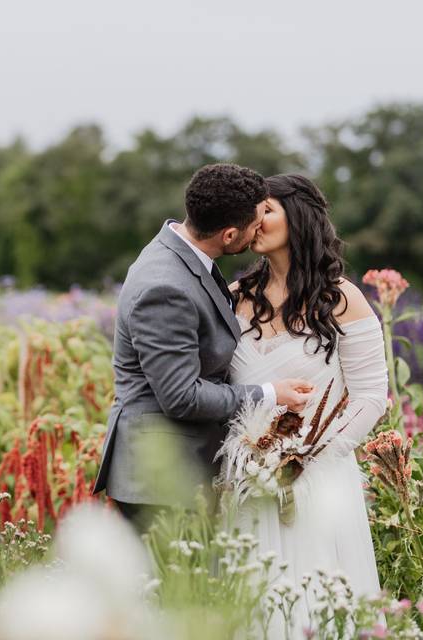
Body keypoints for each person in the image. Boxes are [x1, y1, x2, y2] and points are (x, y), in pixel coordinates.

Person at [92, 163, 314, 533]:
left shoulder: (181, 253)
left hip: (179, 472)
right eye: (256, 221)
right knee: (169, 590)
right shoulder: (165, 286)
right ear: (229, 235)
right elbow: (181, 396)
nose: (260, 228)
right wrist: (270, 394)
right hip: (160, 478)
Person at [226, 174, 387, 636]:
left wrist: (305, 458)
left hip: (317, 478)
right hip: (245, 479)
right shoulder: (234, 298)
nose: (255, 221)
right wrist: (253, 459)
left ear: (297, 218)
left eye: (267, 210)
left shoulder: (342, 299)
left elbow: (372, 396)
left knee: (314, 604)